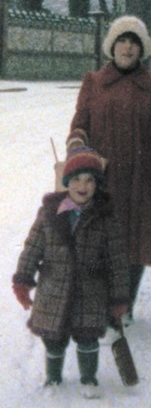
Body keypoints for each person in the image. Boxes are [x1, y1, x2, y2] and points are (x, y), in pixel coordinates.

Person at [66, 15, 151, 325]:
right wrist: (77, 147)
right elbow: (79, 124)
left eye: (133, 41)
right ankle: (102, 302)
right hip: (103, 178)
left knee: (137, 244)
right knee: (101, 242)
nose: (127, 47)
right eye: (122, 40)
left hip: (143, 179)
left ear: (141, 48)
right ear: (112, 46)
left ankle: (125, 304)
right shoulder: (94, 82)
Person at [12, 146, 129, 398]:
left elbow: (117, 260)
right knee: (53, 338)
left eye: (90, 180)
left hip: (91, 290)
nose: (83, 185)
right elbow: (33, 248)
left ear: (97, 184)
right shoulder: (48, 214)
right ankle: (53, 377)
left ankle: (89, 378)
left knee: (87, 338)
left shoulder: (106, 218)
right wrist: (23, 279)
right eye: (76, 179)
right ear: (66, 182)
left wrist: (119, 297)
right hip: (53, 287)